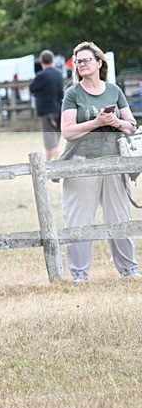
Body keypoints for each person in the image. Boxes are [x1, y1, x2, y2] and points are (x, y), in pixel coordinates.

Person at [60, 41, 140, 282]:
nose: (81, 64)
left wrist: (115, 122)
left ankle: (129, 270)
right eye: (78, 61)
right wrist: (95, 123)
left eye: (85, 60)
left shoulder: (114, 90)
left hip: (114, 160)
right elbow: (67, 131)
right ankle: (79, 275)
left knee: (119, 217)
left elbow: (132, 126)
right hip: (82, 161)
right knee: (79, 219)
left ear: (99, 63)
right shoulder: (73, 93)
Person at [29, 49, 65, 161]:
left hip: (46, 112)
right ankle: (46, 167)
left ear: (41, 61)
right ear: (52, 60)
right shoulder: (58, 74)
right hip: (58, 110)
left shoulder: (41, 75)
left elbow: (31, 88)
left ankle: (62, 169)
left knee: (52, 144)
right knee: (51, 144)